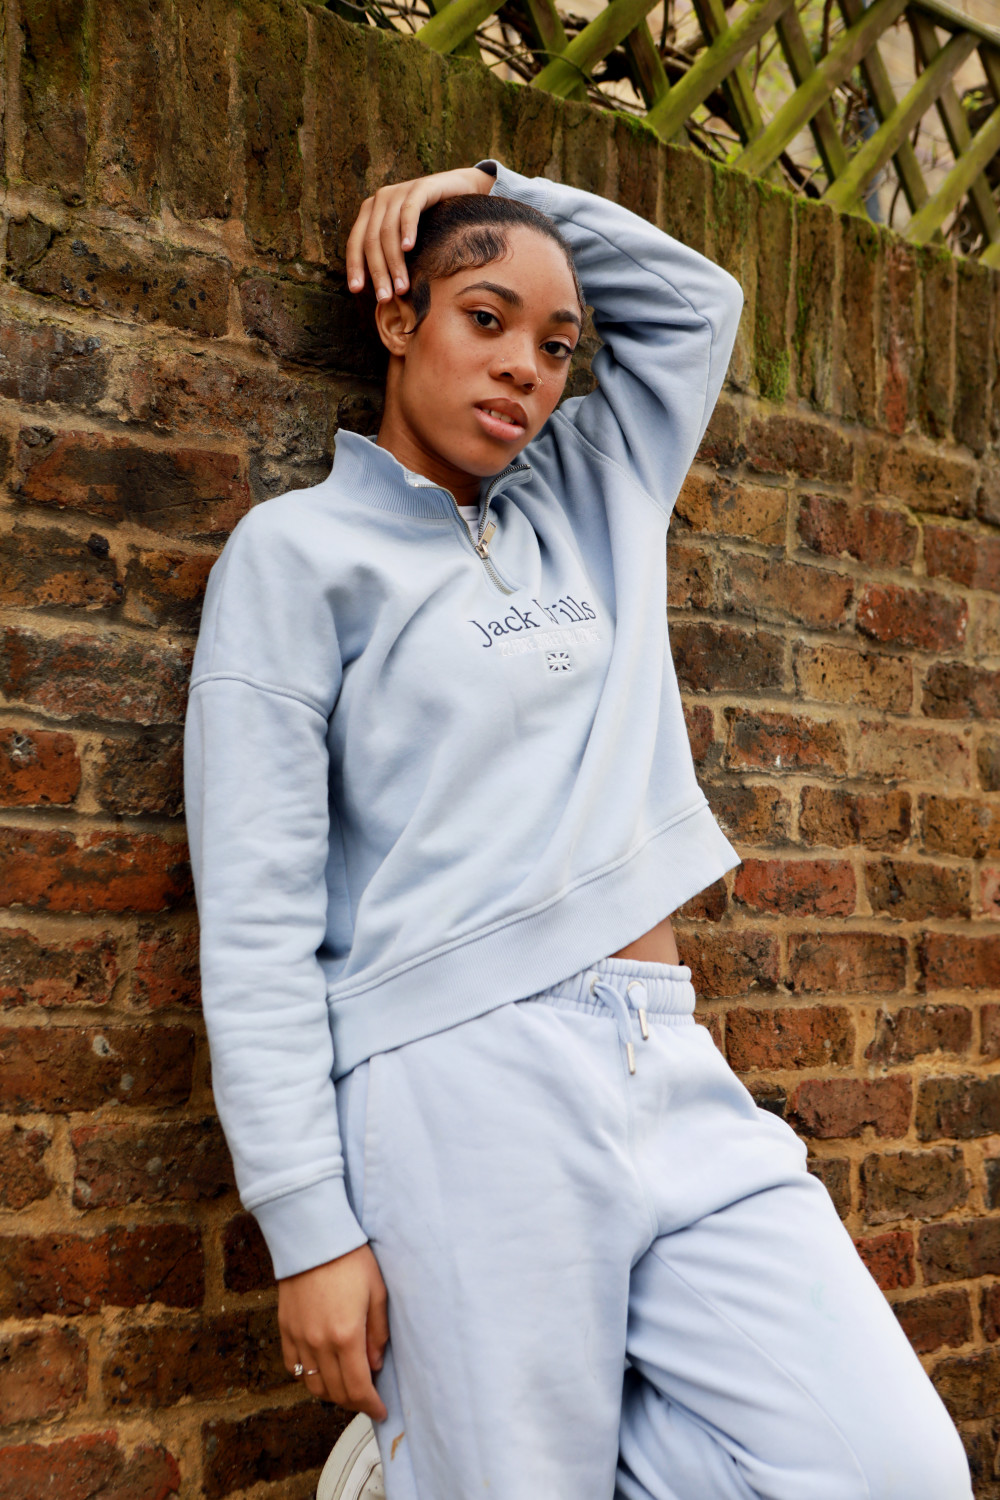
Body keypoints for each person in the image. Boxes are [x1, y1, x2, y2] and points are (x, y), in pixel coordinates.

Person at [183, 159, 973, 1500]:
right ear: (397, 319)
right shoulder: (296, 554)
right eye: (484, 318)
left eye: (556, 346)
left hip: (664, 1054)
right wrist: (308, 1227)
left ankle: (420, 1469)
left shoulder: (594, 492)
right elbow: (256, 919)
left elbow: (699, 306)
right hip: (457, 1084)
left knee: (893, 1470)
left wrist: (495, 184)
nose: (525, 368)